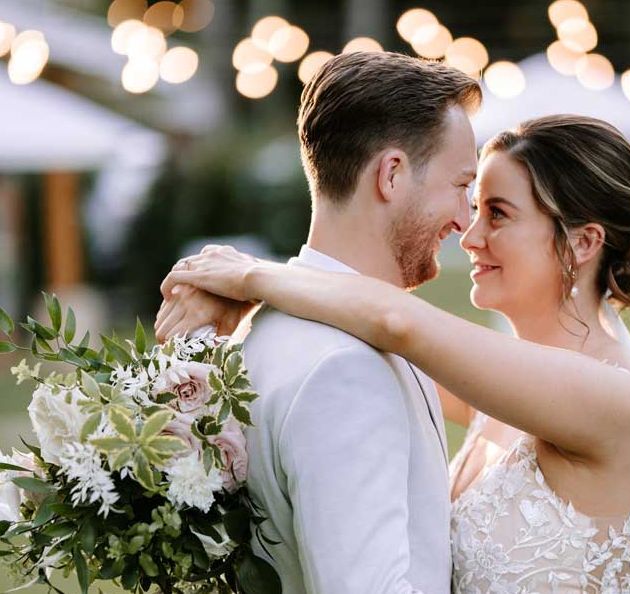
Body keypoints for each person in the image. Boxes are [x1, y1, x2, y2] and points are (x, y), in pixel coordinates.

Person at [157, 114, 630, 593]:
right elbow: (361, 347)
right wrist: (238, 321)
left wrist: (249, 275)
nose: (469, 236)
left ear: (583, 242)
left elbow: (395, 322)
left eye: (498, 214)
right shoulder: (503, 387)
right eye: (473, 208)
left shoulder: (619, 404)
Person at [158, 51, 482, 593]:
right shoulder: (345, 369)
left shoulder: (264, 330)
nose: (465, 219)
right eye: (460, 185)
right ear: (393, 174)